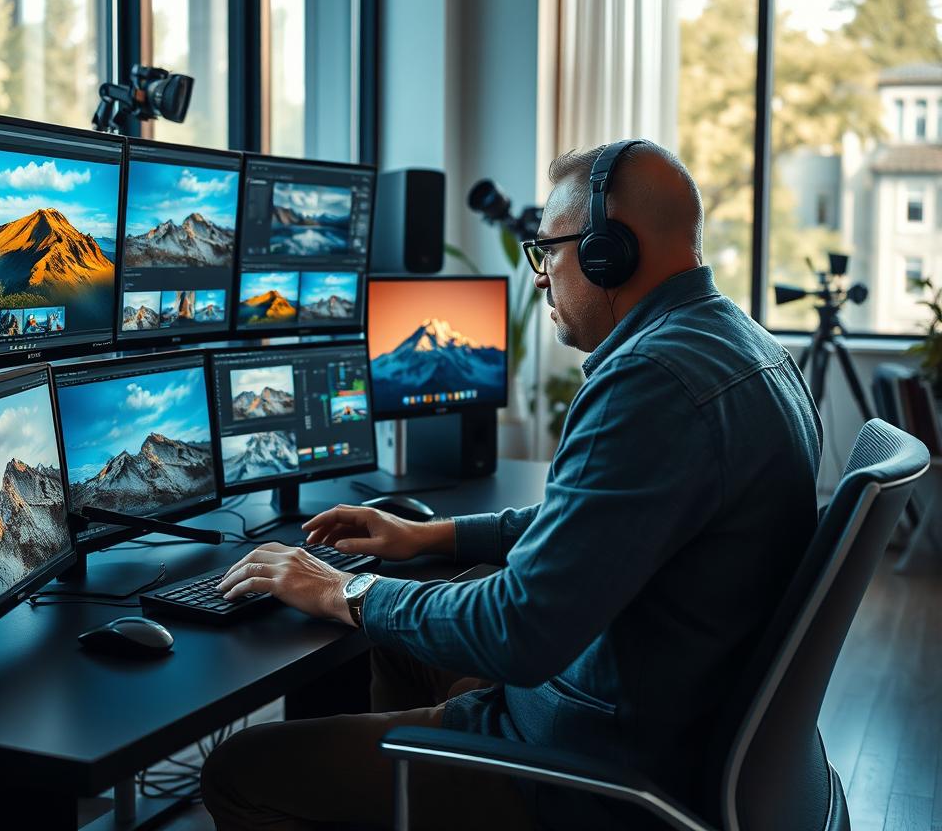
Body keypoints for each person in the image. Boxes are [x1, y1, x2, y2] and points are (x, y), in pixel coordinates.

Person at [202, 140, 822, 831]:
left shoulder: (649, 382)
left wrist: (340, 588)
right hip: (670, 718)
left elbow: (516, 631)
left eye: (547, 251)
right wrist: (431, 534)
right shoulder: (748, 347)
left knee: (241, 769)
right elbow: (596, 523)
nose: (539, 278)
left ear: (606, 251)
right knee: (406, 634)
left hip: (596, 771)